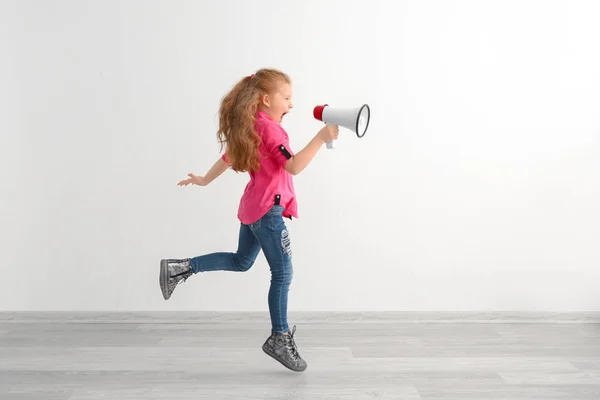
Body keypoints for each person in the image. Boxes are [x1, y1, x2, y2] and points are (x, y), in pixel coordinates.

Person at [159, 68, 339, 372]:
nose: (291, 104)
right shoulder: (272, 130)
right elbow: (293, 166)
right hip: (268, 212)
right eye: (286, 97)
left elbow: (229, 157)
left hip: (254, 206)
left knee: (242, 261)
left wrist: (205, 179)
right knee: (283, 273)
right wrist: (320, 138)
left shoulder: (253, 125)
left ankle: (180, 268)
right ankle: (279, 337)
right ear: (267, 99)